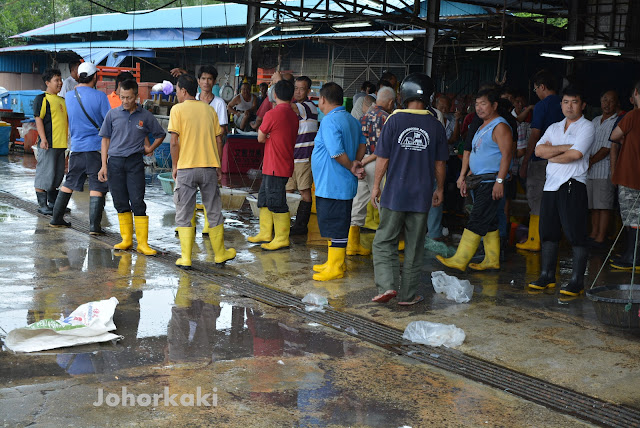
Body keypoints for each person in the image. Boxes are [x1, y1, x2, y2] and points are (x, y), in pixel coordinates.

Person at [370, 74, 448, 305]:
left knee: (385, 241)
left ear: (404, 95)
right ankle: (408, 295)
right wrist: (440, 189)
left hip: (395, 193)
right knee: (415, 245)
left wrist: (376, 186)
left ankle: (387, 286)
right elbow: (440, 164)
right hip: (421, 195)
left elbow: (382, 158)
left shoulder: (393, 121)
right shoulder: (436, 125)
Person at [437, 89, 514, 272]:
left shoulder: (500, 126)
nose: (479, 108)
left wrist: (500, 182)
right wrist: (466, 176)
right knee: (491, 220)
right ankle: (492, 259)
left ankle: (460, 259)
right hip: (479, 179)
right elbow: (479, 155)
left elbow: (507, 155)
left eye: (483, 104)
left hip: (491, 181)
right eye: (477, 104)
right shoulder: (482, 126)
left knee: (477, 218)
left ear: (494, 105)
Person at [529, 86, 595, 296]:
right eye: (566, 102)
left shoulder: (587, 127)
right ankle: (547, 275)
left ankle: (577, 281)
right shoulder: (554, 127)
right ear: (561, 104)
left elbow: (576, 155)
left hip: (572, 184)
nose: (569, 106)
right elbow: (538, 151)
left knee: (576, 233)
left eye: (574, 102)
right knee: (548, 232)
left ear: (582, 105)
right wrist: (565, 147)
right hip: (550, 185)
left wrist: (553, 153)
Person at [169, 74, 235, 268]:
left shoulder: (177, 110)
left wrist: (175, 166)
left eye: (177, 90)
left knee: (184, 210)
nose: (177, 94)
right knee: (213, 209)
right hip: (208, 167)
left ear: (183, 90)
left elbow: (174, 142)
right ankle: (220, 254)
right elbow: (218, 139)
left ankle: (186, 257)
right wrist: (218, 166)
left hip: (186, 168)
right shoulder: (209, 110)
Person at [98, 79, 166, 255]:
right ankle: (126, 239)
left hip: (135, 162)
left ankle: (142, 244)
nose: (125, 101)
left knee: (137, 201)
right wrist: (103, 165)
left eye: (129, 97)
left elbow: (160, 134)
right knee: (120, 201)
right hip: (115, 163)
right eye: (122, 97)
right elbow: (105, 140)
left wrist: (150, 148)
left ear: (137, 96)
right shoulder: (112, 115)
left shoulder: (145, 116)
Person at [311, 82, 366, 281]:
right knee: (336, 225)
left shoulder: (329, 121)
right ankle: (333, 261)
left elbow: (336, 153)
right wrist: (357, 163)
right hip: (340, 184)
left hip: (333, 184)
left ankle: (336, 266)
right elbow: (362, 142)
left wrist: (352, 165)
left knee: (336, 225)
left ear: (323, 99)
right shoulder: (351, 119)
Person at [49, 62, 111, 234]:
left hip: (76, 147)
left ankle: (56, 218)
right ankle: (94, 227)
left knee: (69, 182)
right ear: (95, 77)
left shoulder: (69, 96)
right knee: (97, 184)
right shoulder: (100, 97)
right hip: (95, 148)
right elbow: (109, 123)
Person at [247, 80, 299, 250]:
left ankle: (282, 238)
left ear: (274, 95)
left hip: (275, 165)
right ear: (291, 96)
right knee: (264, 198)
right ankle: (265, 233)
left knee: (276, 201)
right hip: (280, 164)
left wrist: (268, 136)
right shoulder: (293, 115)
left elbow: (260, 137)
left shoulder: (272, 114)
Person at [517, 70, 564, 252]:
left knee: (536, 198)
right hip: (561, 160)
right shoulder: (566, 104)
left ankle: (534, 239)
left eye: (536, 88)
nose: (536, 92)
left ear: (542, 87)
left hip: (541, 159)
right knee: (554, 200)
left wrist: (526, 160)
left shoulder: (542, 106)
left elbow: (535, 135)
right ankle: (551, 239)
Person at [346, 87, 396, 256]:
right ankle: (385, 245)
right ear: (390, 102)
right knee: (384, 203)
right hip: (377, 162)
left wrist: (359, 162)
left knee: (358, 202)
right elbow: (385, 149)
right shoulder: (388, 119)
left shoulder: (362, 117)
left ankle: (353, 244)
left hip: (361, 162)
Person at [609, 80, 640, 270]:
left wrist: (626, 138)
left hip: (630, 174)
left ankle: (632, 256)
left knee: (632, 217)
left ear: (635, 92)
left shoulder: (633, 115)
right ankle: (632, 254)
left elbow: (614, 136)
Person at [587, 90, 620, 249]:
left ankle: (601, 238)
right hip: (591, 170)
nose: (607, 104)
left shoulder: (616, 121)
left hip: (604, 168)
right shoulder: (594, 120)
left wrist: (590, 161)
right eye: (604, 100)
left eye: (611, 101)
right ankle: (594, 234)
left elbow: (607, 148)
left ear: (616, 104)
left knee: (604, 206)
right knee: (593, 205)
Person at [33, 68, 68, 216]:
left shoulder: (62, 100)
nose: (60, 83)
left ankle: (53, 203)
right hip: (49, 143)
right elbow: (38, 119)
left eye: (60, 80)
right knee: (45, 174)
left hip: (61, 144)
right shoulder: (42, 99)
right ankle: (42, 205)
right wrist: (43, 139)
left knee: (57, 175)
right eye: (56, 80)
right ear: (47, 82)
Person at [287, 76, 319, 236]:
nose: (298, 91)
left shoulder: (308, 106)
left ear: (308, 91)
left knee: (304, 190)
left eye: (301, 88)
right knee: (288, 189)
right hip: (292, 156)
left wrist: (280, 84)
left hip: (304, 157)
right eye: (296, 88)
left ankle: (301, 226)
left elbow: (290, 106)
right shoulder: (299, 107)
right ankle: (286, 224)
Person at [195, 65, 229, 136]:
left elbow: (222, 129)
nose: (206, 82)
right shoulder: (193, 100)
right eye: (203, 78)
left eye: (209, 79)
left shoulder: (219, 103)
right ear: (198, 81)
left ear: (214, 82)